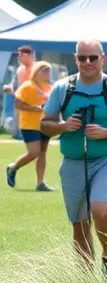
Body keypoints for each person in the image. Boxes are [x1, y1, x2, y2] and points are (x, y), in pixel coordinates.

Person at [40, 40, 107, 266]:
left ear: (102, 58)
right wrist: (63, 126)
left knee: (101, 210)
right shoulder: (62, 88)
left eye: (93, 58)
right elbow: (44, 124)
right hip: (73, 161)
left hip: (106, 160)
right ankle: (86, 282)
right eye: (82, 58)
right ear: (75, 59)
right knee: (79, 223)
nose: (87, 62)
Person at [7, 60, 55, 191]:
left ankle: (40, 183)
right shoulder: (28, 86)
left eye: (48, 71)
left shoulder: (49, 87)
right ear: (37, 71)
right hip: (29, 124)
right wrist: (34, 108)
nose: (47, 73)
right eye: (44, 70)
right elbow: (18, 103)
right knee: (33, 152)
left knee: (43, 152)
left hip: (44, 124)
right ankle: (13, 167)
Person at [4, 45, 35, 134]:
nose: (19, 57)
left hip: (32, 101)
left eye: (21, 55)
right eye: (18, 55)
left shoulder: (36, 69)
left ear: (29, 56)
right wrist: (9, 87)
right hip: (19, 101)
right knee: (19, 127)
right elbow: (14, 84)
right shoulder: (20, 69)